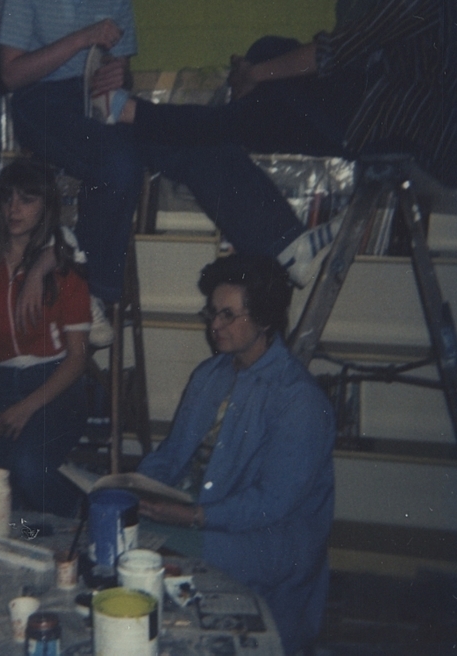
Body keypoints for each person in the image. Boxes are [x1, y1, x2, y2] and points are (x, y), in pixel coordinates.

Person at [117, 0, 457, 287]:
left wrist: (256, 73)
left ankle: (138, 115)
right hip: (400, 123)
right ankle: (285, 236)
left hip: (400, 131)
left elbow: (339, 50)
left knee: (251, 89)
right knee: (257, 83)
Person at [137, 254, 335, 656]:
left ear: (263, 319)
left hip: (265, 537)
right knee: (110, 524)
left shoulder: (299, 399)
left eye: (228, 315)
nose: (214, 326)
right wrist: (135, 486)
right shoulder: (209, 374)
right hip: (201, 509)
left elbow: (272, 503)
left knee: (142, 552)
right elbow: (172, 454)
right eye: (212, 313)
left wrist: (193, 517)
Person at [0, 0, 142, 331]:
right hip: (39, 102)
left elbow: (124, 69)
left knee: (151, 144)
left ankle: (68, 270)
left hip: (95, 102)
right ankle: (95, 294)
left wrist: (120, 73)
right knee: (118, 163)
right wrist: (81, 38)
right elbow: (12, 76)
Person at [0, 159, 91, 517]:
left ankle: (83, 517)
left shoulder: (62, 266)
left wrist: (27, 407)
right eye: (8, 199)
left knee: (30, 469)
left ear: (45, 206)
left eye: (27, 199)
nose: (14, 209)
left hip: (55, 381)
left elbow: (78, 359)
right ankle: (29, 544)